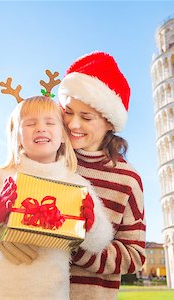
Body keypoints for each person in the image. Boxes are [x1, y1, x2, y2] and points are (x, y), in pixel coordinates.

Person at [0, 82, 113, 299]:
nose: (41, 128)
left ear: (63, 135)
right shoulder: (3, 177)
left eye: (50, 122)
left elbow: (101, 239)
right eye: (30, 123)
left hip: (49, 292)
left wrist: (91, 224)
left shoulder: (77, 184)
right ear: (17, 137)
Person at [58, 51, 146, 299]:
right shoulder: (48, 159)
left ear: (109, 122)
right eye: (68, 111)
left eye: (86, 117)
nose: (74, 124)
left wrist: (72, 246)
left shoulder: (127, 179)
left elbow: (135, 255)